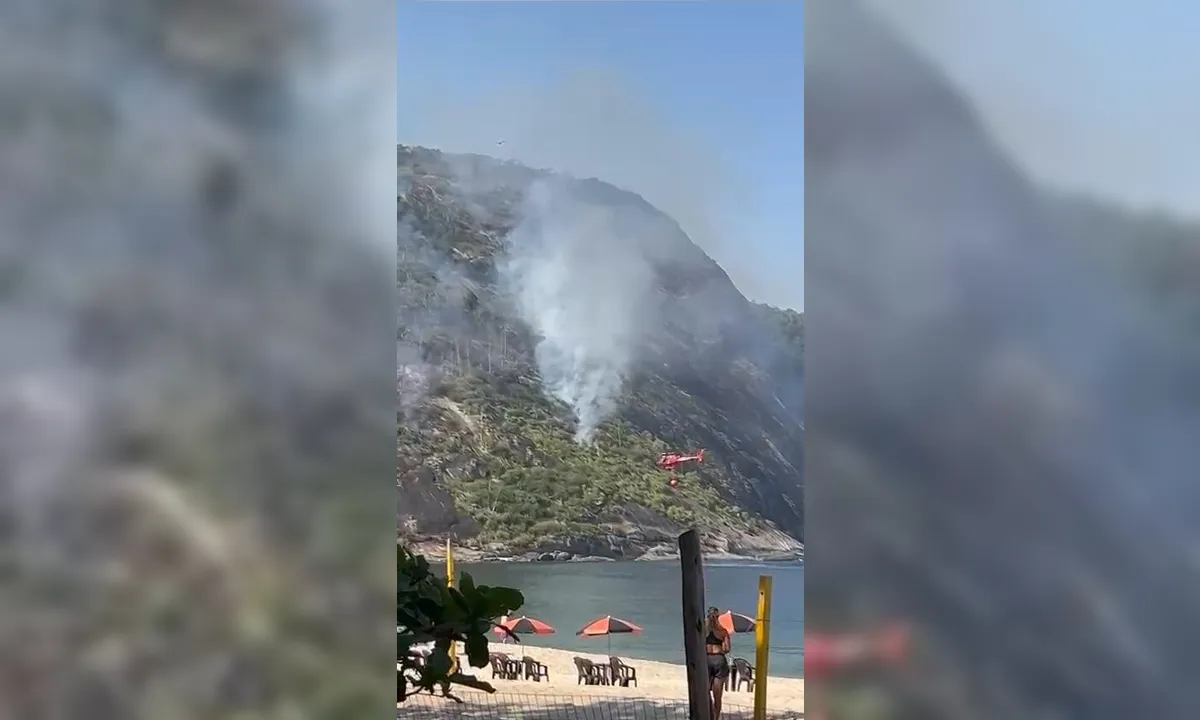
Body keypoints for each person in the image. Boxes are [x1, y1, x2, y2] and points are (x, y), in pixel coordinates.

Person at [705, 606, 732, 719]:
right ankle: (715, 717)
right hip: (719, 660)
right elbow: (726, 649)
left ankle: (709, 713)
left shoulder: (702, 630)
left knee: (705, 691)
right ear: (718, 617)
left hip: (706, 659)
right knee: (718, 694)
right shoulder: (722, 631)